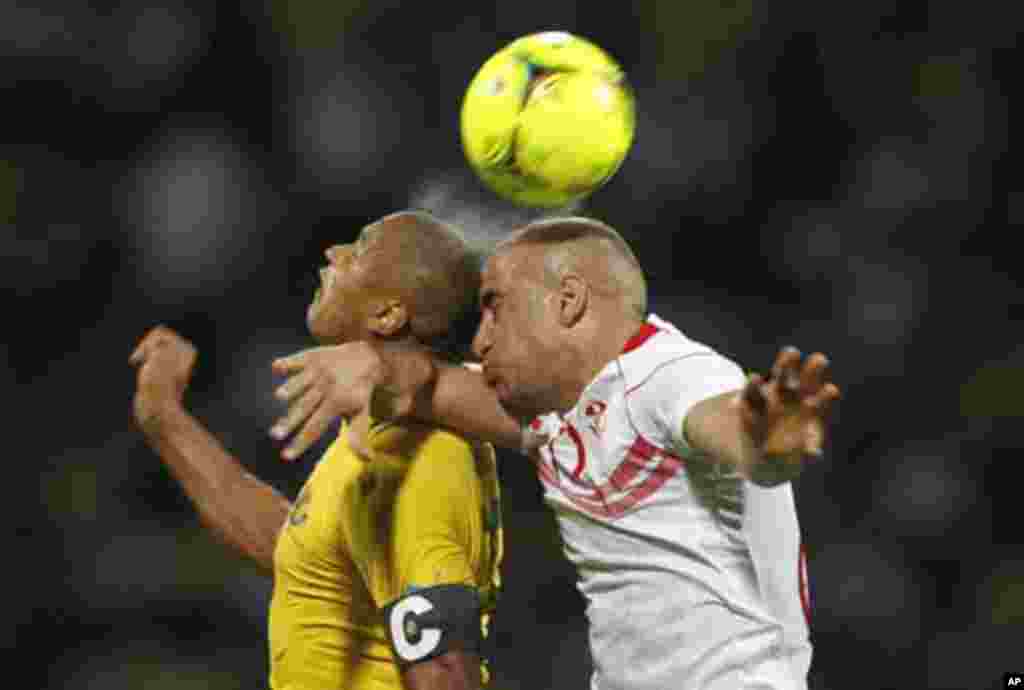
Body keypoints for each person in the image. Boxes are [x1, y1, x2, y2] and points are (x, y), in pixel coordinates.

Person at [268, 216, 841, 690]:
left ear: (567, 301)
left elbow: (732, 431)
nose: (480, 339)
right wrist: (371, 362)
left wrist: (768, 443)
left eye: (496, 307)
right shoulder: (554, 411)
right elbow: (431, 384)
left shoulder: (668, 375)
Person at [130, 210, 503, 690]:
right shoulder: (385, 438)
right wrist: (164, 419)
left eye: (361, 248)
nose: (333, 252)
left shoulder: (418, 459)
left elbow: (449, 673)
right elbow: (300, 551)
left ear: (388, 314)